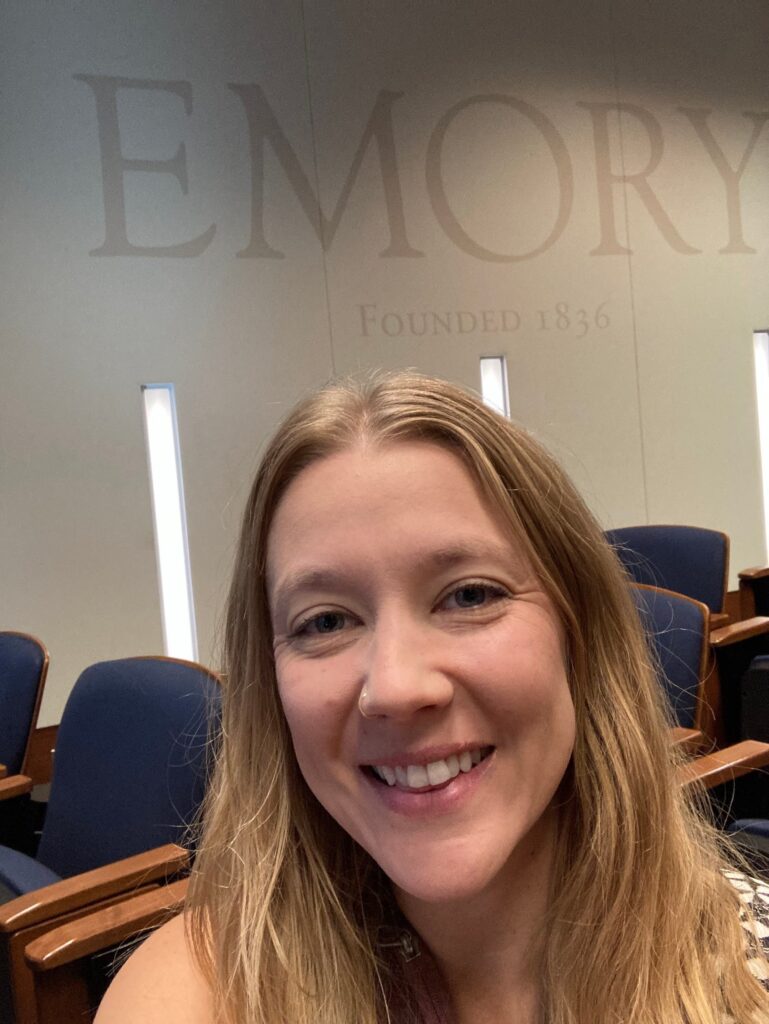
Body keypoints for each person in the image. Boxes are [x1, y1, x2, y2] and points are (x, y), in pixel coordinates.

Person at [96, 371, 769, 1024]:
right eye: (325, 621)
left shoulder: (749, 963)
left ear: (579, 635)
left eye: (470, 595)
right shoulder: (202, 991)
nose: (394, 686)